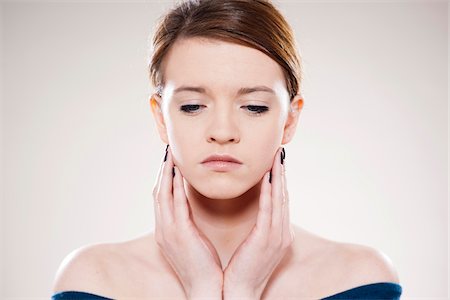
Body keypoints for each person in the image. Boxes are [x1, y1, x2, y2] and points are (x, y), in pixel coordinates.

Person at [52, 0, 403, 299]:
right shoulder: (95, 280)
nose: (222, 132)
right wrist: (203, 287)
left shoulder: (358, 279)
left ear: (289, 120)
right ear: (161, 118)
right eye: (192, 106)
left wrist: (242, 290)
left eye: (253, 107)